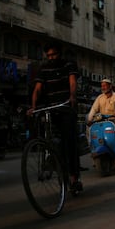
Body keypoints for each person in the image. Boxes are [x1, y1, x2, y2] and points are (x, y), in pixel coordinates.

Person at [27, 41, 82, 192]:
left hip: (66, 106)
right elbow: (37, 89)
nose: (51, 57)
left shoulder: (68, 65)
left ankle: (74, 176)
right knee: (51, 140)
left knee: (69, 142)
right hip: (51, 109)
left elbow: (72, 82)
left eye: (54, 54)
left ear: (59, 54)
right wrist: (33, 107)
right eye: (49, 55)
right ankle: (52, 162)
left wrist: (72, 96)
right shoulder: (43, 69)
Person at [87, 79, 115, 157]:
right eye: (102, 86)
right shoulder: (99, 98)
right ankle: (93, 150)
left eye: (105, 85)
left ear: (110, 86)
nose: (103, 87)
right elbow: (94, 109)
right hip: (102, 121)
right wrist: (90, 119)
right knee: (89, 129)